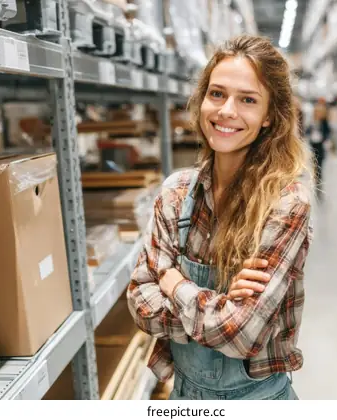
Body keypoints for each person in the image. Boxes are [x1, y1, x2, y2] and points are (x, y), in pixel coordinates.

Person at [126, 35, 313, 400]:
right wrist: (221, 306)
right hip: (184, 396)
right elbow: (138, 303)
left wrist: (173, 281)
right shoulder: (176, 193)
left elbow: (243, 334)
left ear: (269, 117)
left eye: (247, 100)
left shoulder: (286, 203)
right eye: (217, 94)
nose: (227, 110)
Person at [306, 99, 331, 192]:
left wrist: (325, 139)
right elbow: (307, 131)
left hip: (321, 145)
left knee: (319, 162)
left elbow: (327, 133)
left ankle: (318, 178)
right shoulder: (313, 122)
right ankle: (316, 177)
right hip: (313, 144)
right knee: (314, 162)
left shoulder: (324, 123)